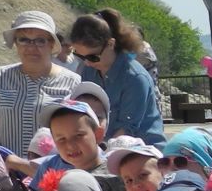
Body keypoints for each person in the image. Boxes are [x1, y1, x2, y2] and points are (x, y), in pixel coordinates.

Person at [0, 11, 81, 156]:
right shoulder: (1, 76)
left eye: (40, 40)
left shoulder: (72, 81)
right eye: (24, 40)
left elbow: (76, 131)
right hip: (9, 171)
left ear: (52, 44)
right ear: (15, 43)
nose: (31, 47)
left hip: (52, 172)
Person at [68, 8, 164, 145]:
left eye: (92, 57)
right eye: (79, 56)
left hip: (141, 151)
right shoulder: (87, 71)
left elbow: (126, 129)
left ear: (111, 44)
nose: (87, 63)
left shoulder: (135, 78)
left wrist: (99, 155)